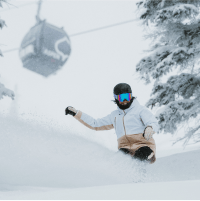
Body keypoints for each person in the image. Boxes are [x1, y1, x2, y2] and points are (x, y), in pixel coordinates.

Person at [65, 83, 159, 163]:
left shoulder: (140, 110)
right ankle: (118, 182)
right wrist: (76, 113)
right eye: (122, 98)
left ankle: (140, 182)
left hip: (144, 146)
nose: (125, 101)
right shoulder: (114, 116)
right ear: (116, 98)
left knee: (139, 157)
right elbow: (95, 124)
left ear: (131, 96)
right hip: (125, 149)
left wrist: (150, 127)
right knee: (117, 161)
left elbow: (153, 122)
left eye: (127, 97)